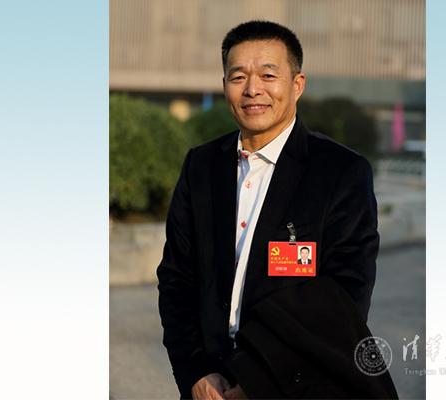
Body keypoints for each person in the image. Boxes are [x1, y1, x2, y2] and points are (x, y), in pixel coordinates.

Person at [158, 21, 392, 399]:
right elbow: (176, 278)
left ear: (297, 84)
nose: (253, 89)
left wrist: (253, 382)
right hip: (208, 384)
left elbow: (343, 297)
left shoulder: (340, 172)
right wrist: (196, 372)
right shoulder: (201, 165)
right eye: (239, 77)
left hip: (289, 384)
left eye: (268, 75)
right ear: (224, 85)